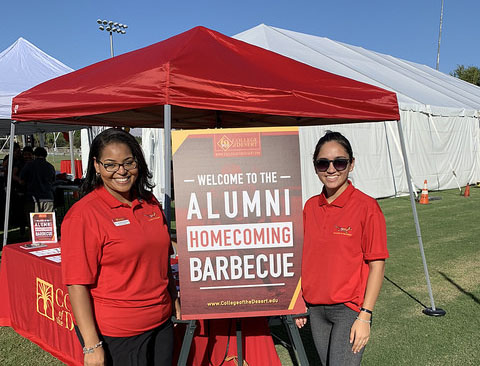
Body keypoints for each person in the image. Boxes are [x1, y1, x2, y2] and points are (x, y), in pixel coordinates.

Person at [61, 128, 179, 366]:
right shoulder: (84, 215)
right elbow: (76, 285)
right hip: (119, 333)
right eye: (111, 164)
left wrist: (173, 299)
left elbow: (162, 259)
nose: (122, 171)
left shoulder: (150, 203)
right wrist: (92, 346)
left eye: (128, 162)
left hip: (162, 323)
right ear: (96, 166)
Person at [295, 131, 388, 366]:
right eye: (323, 163)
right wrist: (298, 300)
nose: (331, 169)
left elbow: (377, 265)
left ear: (351, 164)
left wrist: (365, 316)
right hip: (315, 309)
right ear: (315, 166)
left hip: (349, 309)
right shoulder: (309, 207)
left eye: (339, 162)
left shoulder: (367, 207)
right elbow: (302, 258)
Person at [20, 147, 56, 213]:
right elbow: (53, 180)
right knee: (47, 221)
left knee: (34, 221)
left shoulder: (29, 165)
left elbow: (22, 180)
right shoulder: (50, 166)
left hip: (33, 198)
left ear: (34, 155)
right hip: (48, 197)